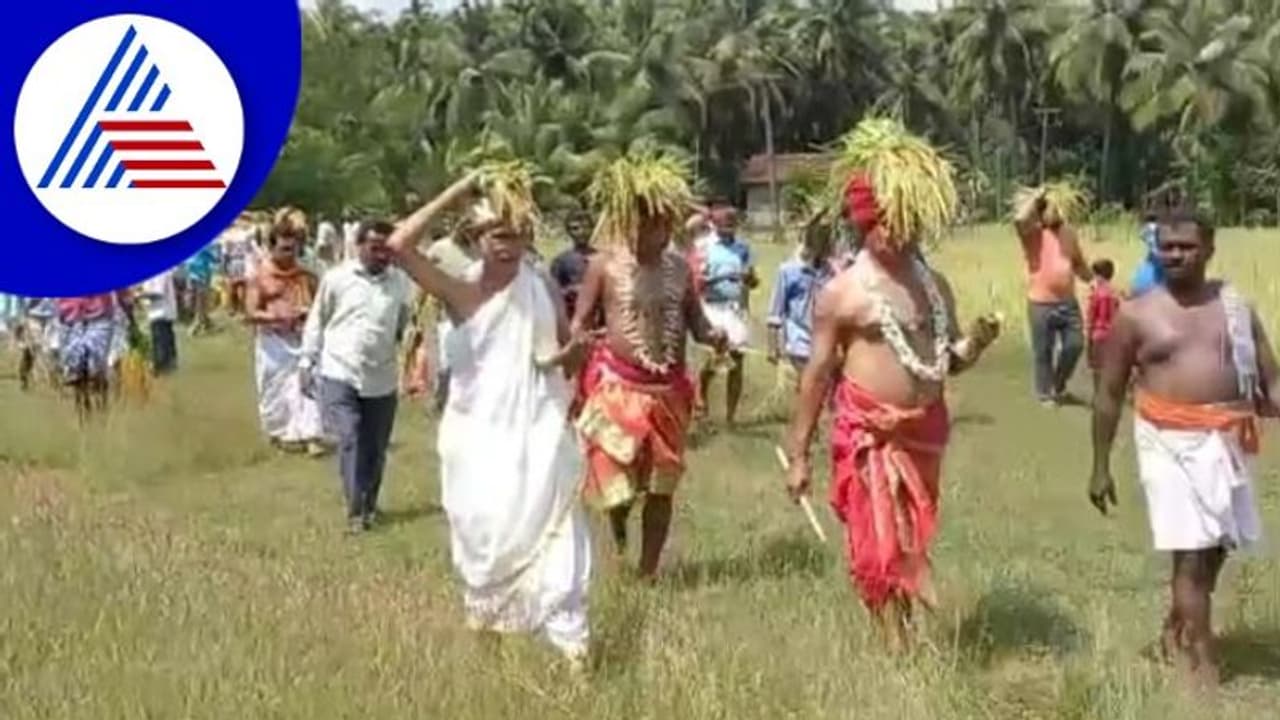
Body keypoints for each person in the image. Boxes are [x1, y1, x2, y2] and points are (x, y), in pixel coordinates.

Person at [784, 173, 1001, 650]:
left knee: (908, 535)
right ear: (867, 224)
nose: (899, 233)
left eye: (908, 222)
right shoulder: (842, 293)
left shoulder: (934, 285)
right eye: (887, 223)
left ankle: (903, 632)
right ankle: (896, 647)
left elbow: (946, 362)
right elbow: (817, 375)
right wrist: (798, 454)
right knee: (879, 541)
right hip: (867, 433)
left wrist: (977, 344)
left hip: (924, 434)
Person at [387, 172, 591, 669]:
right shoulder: (462, 293)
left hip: (539, 434)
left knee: (560, 542)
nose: (508, 244)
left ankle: (573, 653)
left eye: (516, 233)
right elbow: (398, 244)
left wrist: (576, 355)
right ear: (478, 239)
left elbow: (559, 356)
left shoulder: (539, 285)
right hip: (478, 441)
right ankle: (489, 639)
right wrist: (459, 190)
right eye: (497, 233)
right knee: (486, 536)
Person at [1090, 207, 1278, 687]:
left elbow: (1271, 382)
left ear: (1209, 249)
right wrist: (1100, 466)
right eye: (1166, 246)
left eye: (1186, 246)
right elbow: (1109, 393)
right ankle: (1203, 669)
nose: (1174, 255)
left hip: (1227, 440)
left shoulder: (1235, 307)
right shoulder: (1136, 313)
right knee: (1191, 555)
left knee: (1218, 546)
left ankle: (1178, 630)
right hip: (1167, 442)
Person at [569, 171, 727, 582]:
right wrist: (575, 359)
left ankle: (648, 572)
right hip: (617, 386)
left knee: (661, 486)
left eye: (660, 223)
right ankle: (619, 528)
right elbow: (580, 322)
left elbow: (697, 323)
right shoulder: (603, 266)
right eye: (644, 222)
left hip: (668, 392)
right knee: (616, 481)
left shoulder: (679, 268)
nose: (652, 232)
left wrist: (715, 336)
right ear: (628, 220)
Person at [301, 220, 414, 535]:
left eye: (386, 248)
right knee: (349, 437)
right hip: (340, 371)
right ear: (359, 245)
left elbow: (405, 326)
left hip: (382, 377)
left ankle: (368, 503)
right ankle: (355, 511)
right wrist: (306, 361)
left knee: (375, 447)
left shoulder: (400, 283)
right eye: (375, 247)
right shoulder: (337, 279)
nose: (381, 254)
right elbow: (317, 320)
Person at [246, 222, 326, 455]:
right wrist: (276, 315)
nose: (290, 255)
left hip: (302, 338)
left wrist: (307, 313)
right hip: (274, 344)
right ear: (272, 248)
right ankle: (281, 432)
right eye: (284, 249)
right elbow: (251, 312)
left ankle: (311, 436)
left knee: (307, 382)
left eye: (294, 249)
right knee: (276, 390)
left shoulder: (306, 275)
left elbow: (321, 305)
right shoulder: (260, 277)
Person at [1014, 189, 1093, 406]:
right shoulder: (1032, 234)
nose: (1055, 212)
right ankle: (1044, 393)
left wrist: (1095, 281)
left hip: (1068, 302)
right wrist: (1036, 197)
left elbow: (1078, 264)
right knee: (1043, 352)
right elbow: (1020, 218)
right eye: (1051, 207)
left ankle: (1058, 383)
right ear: (1041, 210)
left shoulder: (1069, 233)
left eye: (1059, 208)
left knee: (1075, 345)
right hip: (1041, 304)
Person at [697, 206, 758, 425]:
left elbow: (753, 281)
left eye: (733, 224)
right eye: (725, 224)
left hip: (735, 309)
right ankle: (701, 403)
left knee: (738, 360)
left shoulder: (743, 248)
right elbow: (697, 282)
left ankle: (730, 417)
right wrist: (724, 277)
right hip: (712, 309)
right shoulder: (704, 247)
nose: (729, 228)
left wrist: (748, 278)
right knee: (714, 357)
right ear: (715, 224)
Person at [421, 215, 481, 412]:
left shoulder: (478, 250)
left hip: (472, 313)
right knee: (444, 363)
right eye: (467, 228)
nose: (470, 233)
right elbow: (423, 272)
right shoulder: (440, 248)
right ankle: (439, 397)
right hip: (443, 312)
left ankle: (461, 400)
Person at [767, 213, 837, 376]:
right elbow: (775, 312)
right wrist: (773, 346)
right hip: (800, 344)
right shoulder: (789, 271)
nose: (829, 245)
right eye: (824, 240)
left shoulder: (831, 272)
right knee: (810, 388)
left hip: (826, 344)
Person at [54, 291, 131, 420]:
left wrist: (127, 305)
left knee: (96, 366)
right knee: (76, 367)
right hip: (70, 317)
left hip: (99, 317)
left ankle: (101, 410)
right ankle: (84, 414)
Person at [549, 209, 602, 328]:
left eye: (586, 227)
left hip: (601, 321)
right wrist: (571, 290)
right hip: (573, 318)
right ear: (568, 232)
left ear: (593, 229)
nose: (581, 232)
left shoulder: (602, 259)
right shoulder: (561, 261)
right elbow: (552, 292)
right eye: (575, 228)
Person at [1084, 258, 1120, 395]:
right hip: (1114, 335)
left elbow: (1091, 319)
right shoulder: (1116, 293)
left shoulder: (1096, 294)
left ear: (1098, 275)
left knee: (1097, 370)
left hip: (1098, 336)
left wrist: (1088, 340)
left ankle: (1099, 395)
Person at [140, 268, 180, 375]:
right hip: (162, 310)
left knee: (159, 337)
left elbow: (157, 293)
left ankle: (161, 364)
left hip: (160, 310)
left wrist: (140, 295)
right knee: (167, 334)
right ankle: (170, 360)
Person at [184, 241, 219, 336]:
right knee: (199, 303)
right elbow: (215, 259)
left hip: (196, 277)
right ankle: (199, 324)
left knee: (198, 302)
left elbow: (214, 259)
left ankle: (203, 323)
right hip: (198, 277)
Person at [1128, 211, 1163, 297]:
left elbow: (1142, 236)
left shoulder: (1146, 228)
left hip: (1152, 254)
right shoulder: (1159, 227)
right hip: (1159, 253)